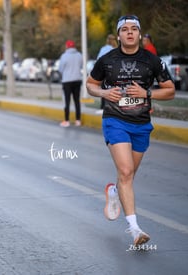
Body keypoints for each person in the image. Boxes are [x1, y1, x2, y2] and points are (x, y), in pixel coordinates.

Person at [86, 15, 175, 246]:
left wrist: (146, 94)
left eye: (134, 29)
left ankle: (114, 191)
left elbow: (169, 90)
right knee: (126, 171)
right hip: (115, 120)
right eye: (124, 29)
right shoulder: (107, 60)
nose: (129, 33)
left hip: (141, 124)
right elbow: (91, 84)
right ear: (118, 35)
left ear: (139, 33)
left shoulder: (152, 61)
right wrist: (104, 93)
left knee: (129, 175)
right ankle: (135, 229)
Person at [58, 40, 83, 127]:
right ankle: (78, 120)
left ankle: (67, 120)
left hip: (67, 81)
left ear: (67, 46)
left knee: (67, 101)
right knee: (77, 100)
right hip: (77, 80)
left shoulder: (64, 56)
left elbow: (60, 69)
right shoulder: (79, 55)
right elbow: (81, 66)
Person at [96, 34, 118, 112]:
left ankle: (103, 107)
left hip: (104, 72)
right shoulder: (116, 49)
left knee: (104, 90)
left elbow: (98, 60)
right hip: (114, 72)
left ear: (107, 40)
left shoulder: (103, 49)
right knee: (114, 90)